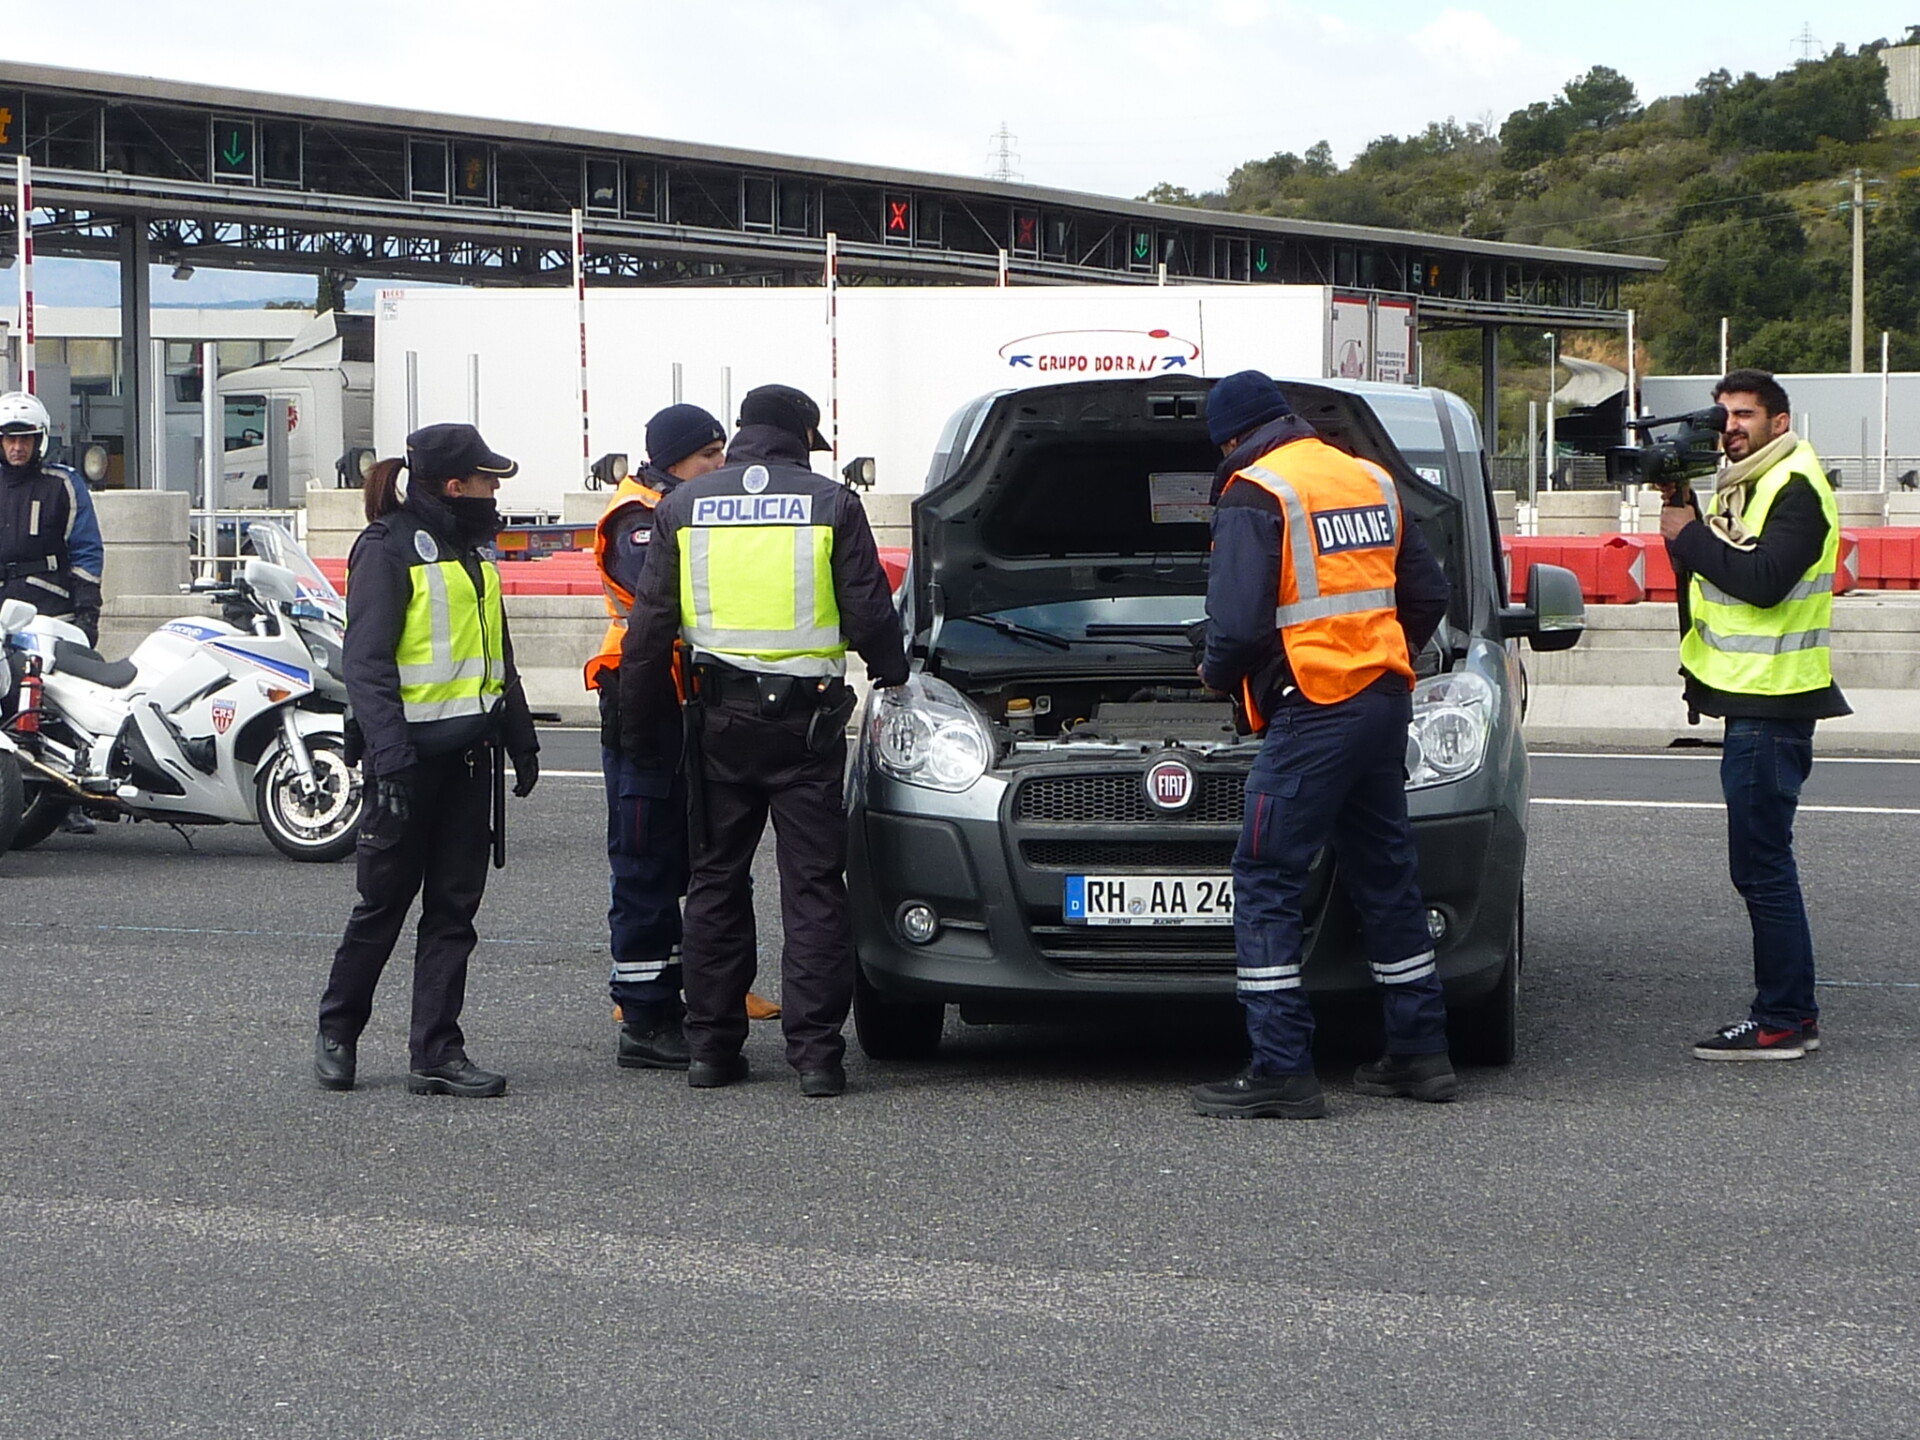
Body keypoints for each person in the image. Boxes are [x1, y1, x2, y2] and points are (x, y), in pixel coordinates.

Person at [618, 384, 908, 1098]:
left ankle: (711, 1050)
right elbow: (869, 611)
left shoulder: (683, 506)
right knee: (812, 888)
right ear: (799, 437)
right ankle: (815, 1057)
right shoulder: (831, 502)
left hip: (716, 724)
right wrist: (894, 674)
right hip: (806, 728)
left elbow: (650, 628)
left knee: (715, 881)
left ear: (743, 433)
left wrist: (635, 725)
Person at [1187, 370, 1453, 1120]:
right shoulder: (1367, 476)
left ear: (1231, 440)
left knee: (1266, 876)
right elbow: (1427, 595)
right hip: (1382, 700)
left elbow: (1236, 628)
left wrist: (1215, 673)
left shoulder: (1256, 490)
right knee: (1385, 872)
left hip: (1312, 708)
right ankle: (1420, 1054)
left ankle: (1281, 1067)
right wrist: (1376, 656)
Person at [314, 423, 540, 1098]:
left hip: (470, 760)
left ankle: (436, 1052)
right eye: (486, 479)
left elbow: (496, 655)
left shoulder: (473, 550)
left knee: (452, 912)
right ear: (453, 485)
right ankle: (337, 1032)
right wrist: (390, 762)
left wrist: (521, 737)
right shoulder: (387, 550)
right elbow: (367, 665)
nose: (494, 490)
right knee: (381, 906)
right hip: (407, 764)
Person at [1659, 369, 1847, 1061]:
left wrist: (1688, 536)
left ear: (1780, 420)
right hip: (1752, 697)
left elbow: (1765, 583)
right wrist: (1683, 512)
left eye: (1745, 414)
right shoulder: (1749, 483)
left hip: (1774, 702)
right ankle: (1790, 1014)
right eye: (1723, 415)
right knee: (1763, 866)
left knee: (1763, 869)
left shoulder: (1796, 485)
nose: (1731, 426)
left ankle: (1784, 1020)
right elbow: (1718, 576)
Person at [583, 403, 737, 1073]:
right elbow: (666, 592)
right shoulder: (637, 518)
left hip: (681, 701)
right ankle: (643, 1016)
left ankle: (685, 993)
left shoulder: (679, 506)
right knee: (643, 862)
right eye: (709, 457)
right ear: (673, 460)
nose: (720, 467)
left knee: (688, 856)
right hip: (641, 701)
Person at [0, 392, 107, 835]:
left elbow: (85, 549)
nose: (17, 447)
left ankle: (69, 796)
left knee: (63, 698)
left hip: (49, 607)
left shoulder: (62, 483)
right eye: (9, 439)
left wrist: (87, 610)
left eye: (25, 438)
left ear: (41, 439)